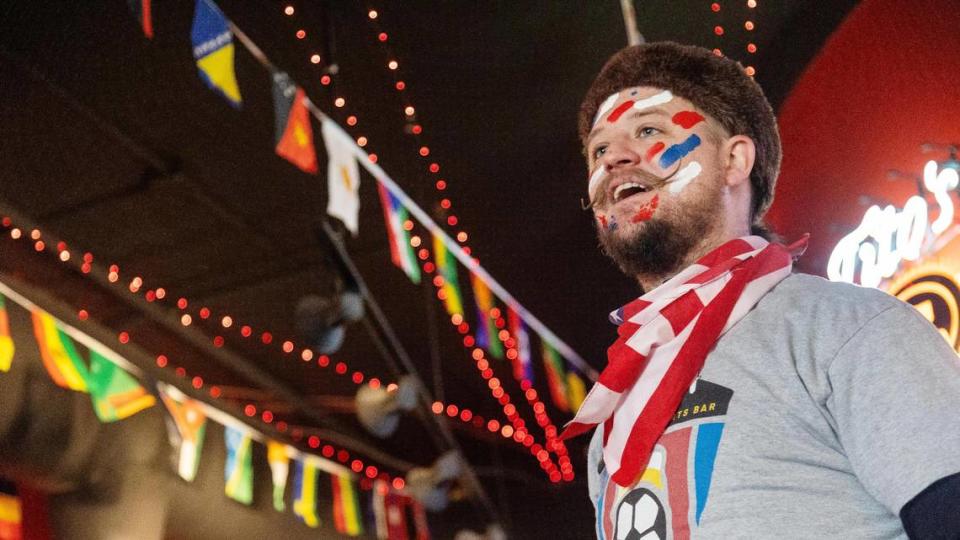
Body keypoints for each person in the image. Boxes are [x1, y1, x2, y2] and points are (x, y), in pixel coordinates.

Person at [559, 41, 960, 539]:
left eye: (647, 130)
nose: (615, 157)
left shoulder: (845, 328)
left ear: (734, 161)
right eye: (599, 149)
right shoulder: (614, 419)